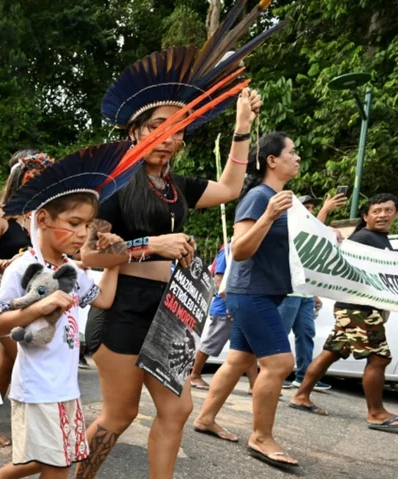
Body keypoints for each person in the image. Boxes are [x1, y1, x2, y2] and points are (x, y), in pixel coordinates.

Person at [74, 2, 281, 473]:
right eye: (156, 128)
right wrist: (151, 247)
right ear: (135, 131)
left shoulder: (178, 186)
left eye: (177, 129)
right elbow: (88, 256)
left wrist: (243, 127)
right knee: (120, 414)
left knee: (178, 409)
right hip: (122, 309)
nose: (167, 138)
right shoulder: (110, 185)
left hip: (170, 311)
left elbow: (230, 187)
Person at [0, 141, 135, 479]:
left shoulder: (73, 269)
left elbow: (104, 300)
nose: (82, 233)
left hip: (66, 388)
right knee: (59, 464)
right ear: (43, 219)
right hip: (37, 388)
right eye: (74, 223)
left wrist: (116, 260)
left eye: (87, 225)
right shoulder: (21, 267)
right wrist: (42, 305)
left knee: (64, 456)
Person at [193, 132, 300, 467]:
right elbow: (238, 250)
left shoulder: (279, 197)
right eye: (292, 152)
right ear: (272, 160)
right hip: (251, 292)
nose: (298, 158)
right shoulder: (259, 197)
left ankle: (205, 418)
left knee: (238, 360)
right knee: (280, 364)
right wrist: (268, 216)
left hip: (260, 291)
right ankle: (261, 437)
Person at [289, 193, 398, 430]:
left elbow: (376, 267)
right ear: (366, 216)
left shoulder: (379, 238)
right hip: (359, 310)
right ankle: (376, 413)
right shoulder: (361, 238)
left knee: (330, 353)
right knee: (379, 358)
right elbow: (351, 263)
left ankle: (300, 396)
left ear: (396, 213)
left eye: (388, 210)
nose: (383, 215)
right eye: (377, 211)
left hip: (352, 309)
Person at [0, 150, 53, 446]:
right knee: (25, 358)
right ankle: (33, 431)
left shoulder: (40, 217)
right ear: (20, 180)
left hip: (33, 293)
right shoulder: (0, 215)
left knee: (8, 362)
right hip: (3, 291)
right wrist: (11, 263)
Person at [278, 194, 346, 390]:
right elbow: (308, 233)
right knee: (281, 334)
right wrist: (325, 212)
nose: (311, 211)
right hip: (289, 293)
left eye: (313, 208)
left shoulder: (311, 225)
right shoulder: (289, 225)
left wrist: (314, 293)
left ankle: (304, 377)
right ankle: (276, 373)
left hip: (305, 295)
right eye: (306, 207)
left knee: (306, 334)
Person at [190, 244, 258, 393]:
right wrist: (231, 304)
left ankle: (254, 385)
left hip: (240, 307)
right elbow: (218, 281)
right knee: (210, 344)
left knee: (247, 347)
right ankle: (194, 375)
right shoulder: (228, 249)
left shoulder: (251, 247)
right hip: (225, 308)